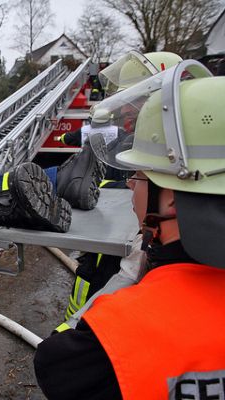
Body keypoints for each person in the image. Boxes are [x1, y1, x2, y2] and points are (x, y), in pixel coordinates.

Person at [34, 66, 225, 399]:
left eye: (137, 177)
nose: (130, 189)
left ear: (172, 200)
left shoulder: (111, 341)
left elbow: (54, 363)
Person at [56, 51, 184, 323]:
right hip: (105, 241)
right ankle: (77, 326)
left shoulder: (168, 152)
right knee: (90, 281)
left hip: (136, 248)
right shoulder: (131, 137)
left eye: (135, 99)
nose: (126, 108)